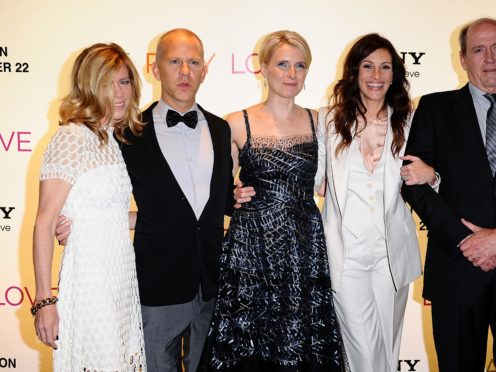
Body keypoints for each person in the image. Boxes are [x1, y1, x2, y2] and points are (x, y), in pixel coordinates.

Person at [56, 29, 237, 372]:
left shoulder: (220, 128)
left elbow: (223, 201)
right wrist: (74, 220)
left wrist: (242, 197)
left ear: (204, 69)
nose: (185, 71)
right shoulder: (128, 132)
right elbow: (96, 187)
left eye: (193, 62)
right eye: (174, 61)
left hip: (212, 283)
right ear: (155, 68)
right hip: (156, 282)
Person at [200, 30, 346, 371]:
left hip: (303, 246)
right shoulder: (236, 123)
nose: (291, 74)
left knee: (300, 339)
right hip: (251, 248)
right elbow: (215, 191)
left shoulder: (320, 120)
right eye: (282, 64)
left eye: (300, 65)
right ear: (262, 67)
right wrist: (231, 196)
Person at [315, 34, 437, 372]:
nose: (376, 75)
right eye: (368, 66)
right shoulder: (327, 120)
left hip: (391, 257)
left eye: (385, 67)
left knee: (386, 349)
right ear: (354, 71)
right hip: (345, 256)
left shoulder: (410, 120)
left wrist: (432, 176)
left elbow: (435, 174)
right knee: (364, 355)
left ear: (396, 74)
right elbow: (313, 178)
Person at [32, 43, 146, 371]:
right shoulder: (72, 137)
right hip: (90, 278)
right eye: (107, 84)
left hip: (121, 276)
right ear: (88, 88)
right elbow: (44, 222)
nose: (119, 94)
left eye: (124, 82)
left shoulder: (113, 139)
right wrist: (44, 300)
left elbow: (109, 214)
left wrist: (176, 217)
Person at [402, 18, 496, 371]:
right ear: (463, 59)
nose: (490, 57)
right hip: (457, 269)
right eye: (479, 50)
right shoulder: (434, 108)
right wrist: (466, 241)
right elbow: (412, 183)